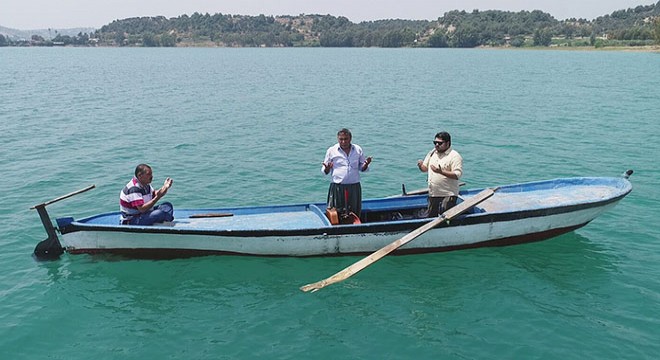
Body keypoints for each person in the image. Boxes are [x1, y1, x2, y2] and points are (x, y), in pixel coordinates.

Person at [322, 128, 372, 218]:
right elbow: (325, 171)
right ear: (338, 139)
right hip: (338, 187)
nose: (343, 142)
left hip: (354, 186)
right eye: (341, 139)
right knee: (336, 212)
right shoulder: (331, 150)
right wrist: (327, 168)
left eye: (346, 139)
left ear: (350, 138)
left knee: (354, 211)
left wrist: (366, 164)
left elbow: (362, 168)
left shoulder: (358, 149)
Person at [417, 131, 463, 217]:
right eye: (435, 142)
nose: (437, 145)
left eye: (440, 143)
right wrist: (420, 165)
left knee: (445, 217)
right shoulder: (432, 153)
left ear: (447, 143)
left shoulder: (454, 156)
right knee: (431, 217)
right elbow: (425, 169)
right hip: (433, 193)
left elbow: (457, 175)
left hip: (448, 194)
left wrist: (441, 172)